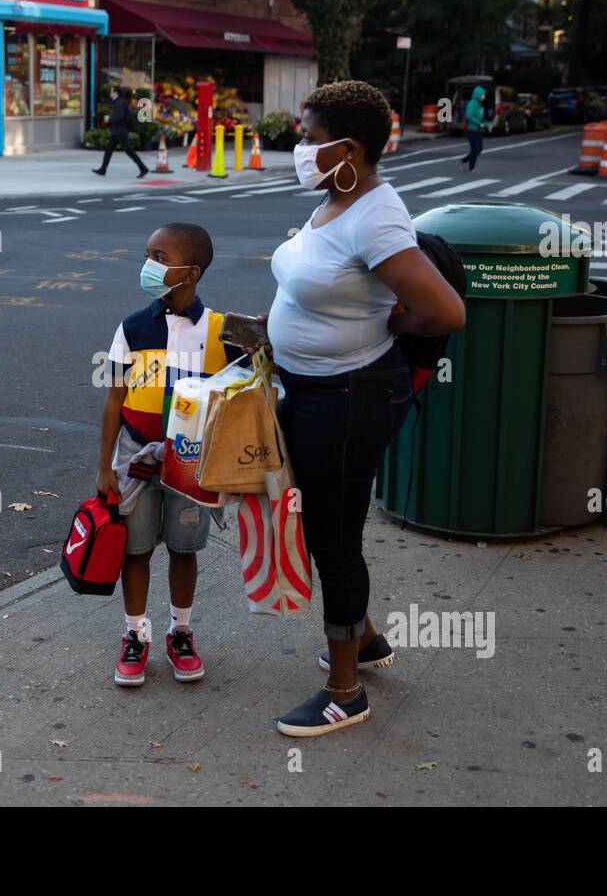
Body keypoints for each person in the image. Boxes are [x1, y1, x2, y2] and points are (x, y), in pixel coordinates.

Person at [261, 81, 465, 737]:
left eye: (309, 136)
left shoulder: (375, 215)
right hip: (313, 389)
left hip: (350, 399)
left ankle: (345, 691)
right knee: (315, 522)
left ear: (347, 147)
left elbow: (444, 310)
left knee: (334, 539)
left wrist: (382, 327)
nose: (299, 147)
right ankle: (367, 641)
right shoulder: (335, 200)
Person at [96, 223, 239, 687]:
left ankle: (181, 631)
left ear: (191, 271)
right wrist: (103, 467)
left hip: (191, 465)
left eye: (160, 257)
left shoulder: (220, 332)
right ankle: (135, 635)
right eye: (148, 254)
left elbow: (248, 389)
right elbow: (114, 399)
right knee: (134, 550)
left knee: (184, 547)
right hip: (134, 458)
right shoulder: (133, 327)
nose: (149, 265)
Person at [93, 84, 149, 178]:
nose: (110, 93)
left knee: (128, 151)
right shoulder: (118, 102)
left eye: (111, 91)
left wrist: (109, 119)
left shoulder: (119, 103)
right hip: (117, 131)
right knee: (109, 150)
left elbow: (119, 116)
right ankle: (103, 169)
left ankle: (143, 168)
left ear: (116, 93)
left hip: (120, 132)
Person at [460, 85, 487, 171]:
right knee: (474, 149)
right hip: (471, 130)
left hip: (478, 131)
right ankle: (472, 167)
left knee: (479, 149)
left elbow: (481, 119)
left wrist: (487, 124)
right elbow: (469, 116)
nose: (484, 96)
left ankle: (464, 160)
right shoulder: (472, 104)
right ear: (478, 95)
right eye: (483, 94)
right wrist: (480, 124)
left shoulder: (480, 105)